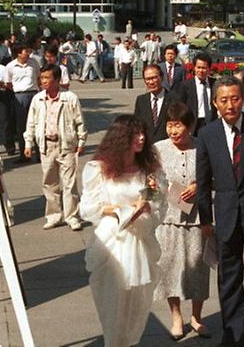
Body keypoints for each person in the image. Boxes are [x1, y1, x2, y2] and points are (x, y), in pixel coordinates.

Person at [195, 76, 244, 347]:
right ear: (215, 103)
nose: (230, 105)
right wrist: (206, 219)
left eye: (235, 99)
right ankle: (234, 336)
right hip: (226, 214)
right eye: (224, 100)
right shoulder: (207, 134)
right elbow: (203, 180)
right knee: (228, 278)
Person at [79, 115, 164, 347]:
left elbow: (157, 196)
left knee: (137, 302)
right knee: (113, 302)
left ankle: (130, 342)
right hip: (113, 240)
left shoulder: (149, 167)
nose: (141, 138)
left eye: (143, 133)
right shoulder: (100, 168)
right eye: (135, 134)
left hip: (140, 239)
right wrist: (115, 210)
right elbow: (88, 207)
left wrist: (146, 203)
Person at [154, 102, 212, 341]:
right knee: (170, 268)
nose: (173, 131)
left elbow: (213, 176)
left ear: (189, 126)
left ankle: (196, 316)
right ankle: (176, 316)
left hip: (198, 219)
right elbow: (152, 182)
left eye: (178, 125)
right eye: (170, 125)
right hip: (169, 219)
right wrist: (174, 193)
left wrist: (197, 187)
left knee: (197, 267)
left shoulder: (202, 147)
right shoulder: (158, 149)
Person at [24, 64, 88, 231]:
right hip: (46, 145)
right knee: (50, 182)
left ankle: (72, 216)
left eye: (47, 78)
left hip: (66, 144)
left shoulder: (70, 98)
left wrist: (81, 141)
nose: (43, 81)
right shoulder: (38, 99)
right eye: (42, 78)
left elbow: (79, 121)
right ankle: (54, 216)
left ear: (57, 80)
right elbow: (31, 122)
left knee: (69, 183)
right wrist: (28, 143)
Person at [6, 43, 41, 162]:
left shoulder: (34, 63)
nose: (28, 53)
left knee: (37, 124)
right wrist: (18, 92)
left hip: (34, 94)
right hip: (19, 96)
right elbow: (8, 83)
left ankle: (40, 154)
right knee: (22, 126)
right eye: (25, 51)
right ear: (19, 53)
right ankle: (24, 154)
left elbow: (38, 78)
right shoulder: (10, 66)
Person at [133, 64, 182, 143]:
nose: (151, 82)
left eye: (154, 78)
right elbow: (137, 125)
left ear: (162, 78)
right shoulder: (141, 100)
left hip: (169, 146)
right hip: (147, 148)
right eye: (147, 79)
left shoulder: (174, 99)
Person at [178, 52, 216, 135]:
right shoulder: (186, 85)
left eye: (204, 68)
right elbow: (181, 106)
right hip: (194, 124)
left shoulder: (215, 84)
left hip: (211, 123)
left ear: (209, 68)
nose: (201, 71)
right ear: (194, 68)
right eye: (198, 67)